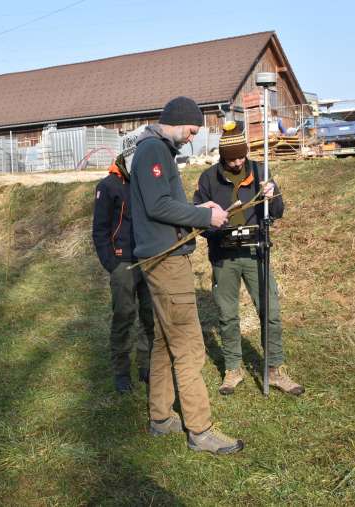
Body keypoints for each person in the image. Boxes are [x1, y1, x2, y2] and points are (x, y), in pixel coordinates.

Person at [130, 96, 244, 455]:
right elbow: (158, 206)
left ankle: (162, 417)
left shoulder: (158, 150)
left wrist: (199, 208)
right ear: (178, 121)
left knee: (165, 341)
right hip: (166, 263)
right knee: (189, 346)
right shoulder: (154, 151)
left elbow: (165, 203)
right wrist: (204, 218)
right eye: (192, 130)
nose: (193, 137)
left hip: (161, 257)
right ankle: (200, 430)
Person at [193, 121, 304, 397]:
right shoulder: (208, 179)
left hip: (256, 254)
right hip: (224, 256)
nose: (237, 162)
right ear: (222, 156)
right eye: (232, 158)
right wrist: (213, 222)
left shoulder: (260, 171)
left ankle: (275, 369)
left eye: (241, 156)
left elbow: (277, 211)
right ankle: (233, 367)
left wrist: (272, 193)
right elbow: (198, 218)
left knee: (271, 312)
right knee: (227, 315)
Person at [92, 153, 155, 394]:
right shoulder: (107, 186)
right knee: (124, 317)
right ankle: (121, 371)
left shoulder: (143, 181)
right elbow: (99, 230)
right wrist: (112, 263)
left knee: (149, 316)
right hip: (122, 263)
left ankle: (146, 365)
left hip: (148, 259)